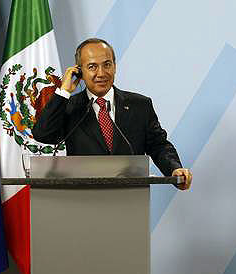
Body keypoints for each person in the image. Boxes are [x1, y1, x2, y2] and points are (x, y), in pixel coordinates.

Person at [32, 38, 192, 190]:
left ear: (115, 66)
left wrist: (174, 169)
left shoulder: (140, 105)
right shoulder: (69, 107)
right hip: (82, 200)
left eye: (107, 64)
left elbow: (158, 145)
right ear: (79, 71)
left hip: (130, 200)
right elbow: (43, 135)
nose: (101, 73)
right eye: (92, 67)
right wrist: (63, 92)